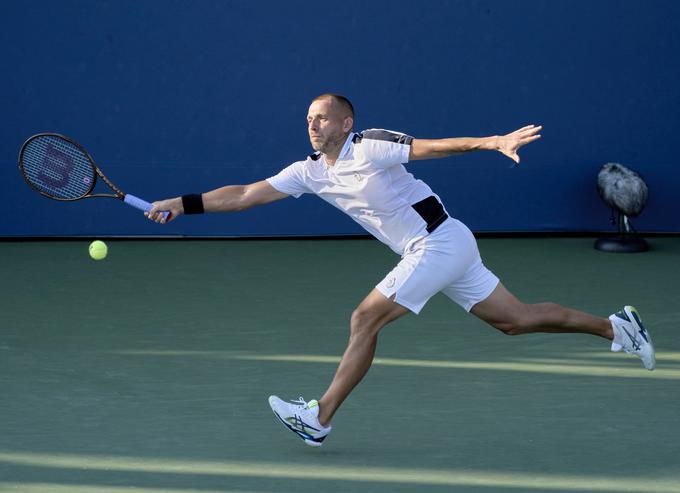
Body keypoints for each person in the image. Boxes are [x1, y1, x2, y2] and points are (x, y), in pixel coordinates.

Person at [146, 93, 655, 447]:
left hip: (437, 243)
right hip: (443, 247)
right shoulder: (306, 171)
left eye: (322, 117)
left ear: (345, 123)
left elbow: (429, 148)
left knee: (364, 319)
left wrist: (492, 141)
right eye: (308, 118)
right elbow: (241, 195)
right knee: (514, 320)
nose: (313, 124)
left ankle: (318, 418)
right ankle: (617, 328)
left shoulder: (370, 145)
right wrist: (180, 203)